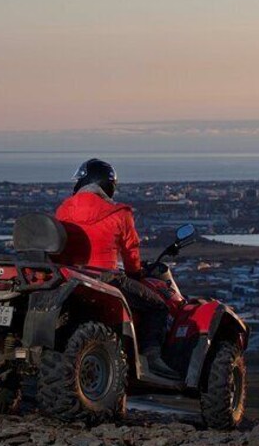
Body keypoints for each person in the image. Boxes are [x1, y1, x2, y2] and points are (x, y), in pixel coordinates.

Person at [55, 158, 179, 379]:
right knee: (158, 307)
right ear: (107, 185)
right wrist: (135, 273)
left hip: (70, 277)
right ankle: (152, 358)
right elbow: (131, 251)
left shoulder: (64, 209)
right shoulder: (120, 213)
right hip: (107, 278)